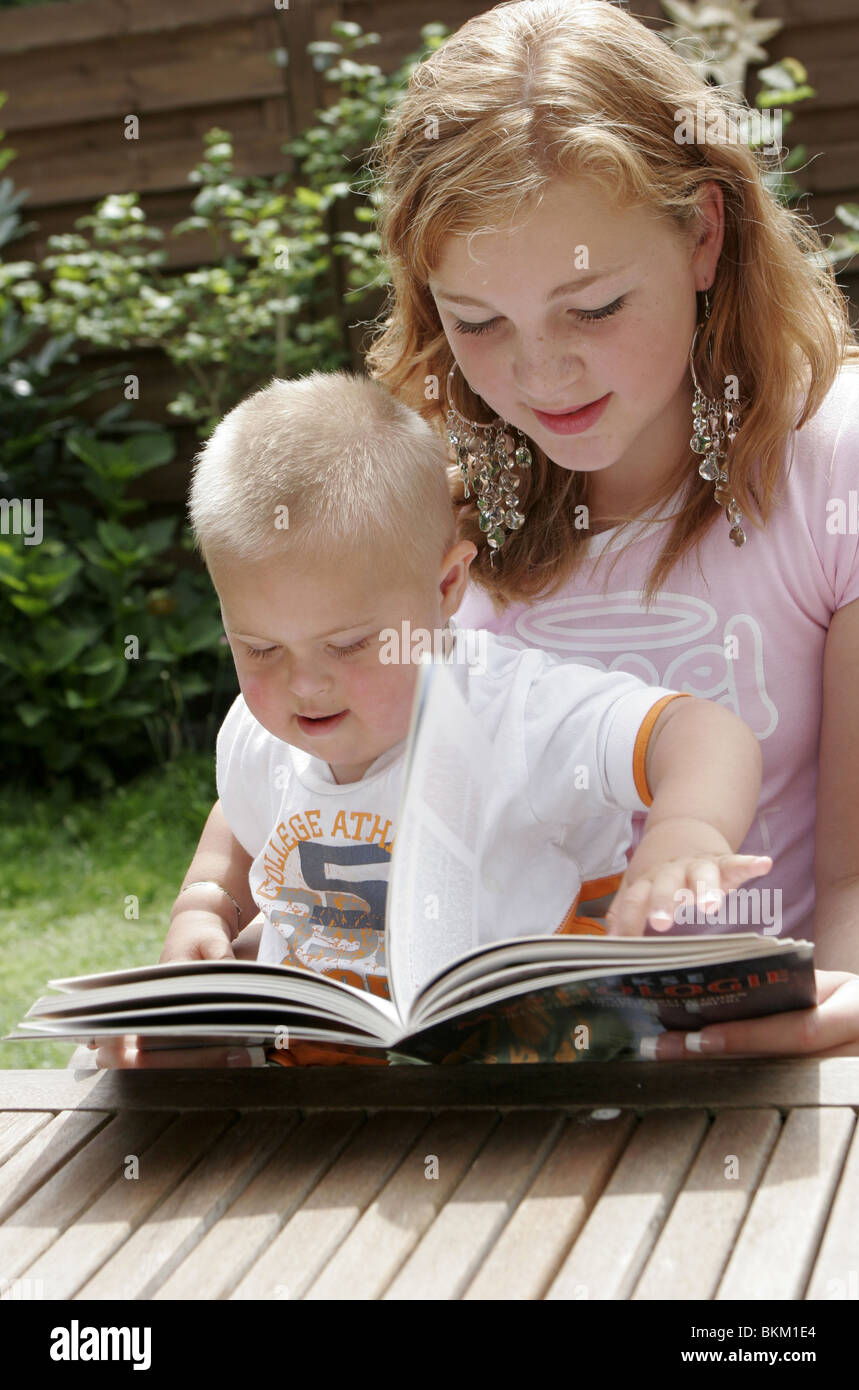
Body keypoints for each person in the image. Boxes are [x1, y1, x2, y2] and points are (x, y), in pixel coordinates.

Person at [359, 0, 859, 1058]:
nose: (538, 376)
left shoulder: (835, 464)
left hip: (770, 1089)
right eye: (477, 322)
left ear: (702, 233)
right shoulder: (427, 507)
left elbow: (858, 879)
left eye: (590, 309)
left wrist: (832, 1012)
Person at [83, 369, 771, 1070]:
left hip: (530, 1081)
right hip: (317, 1089)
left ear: (446, 587)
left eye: (349, 644)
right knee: (130, 1073)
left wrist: (688, 831)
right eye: (259, 648)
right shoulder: (262, 729)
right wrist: (204, 904)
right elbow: (242, 806)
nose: (304, 684)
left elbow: (702, 732)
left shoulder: (513, 709)